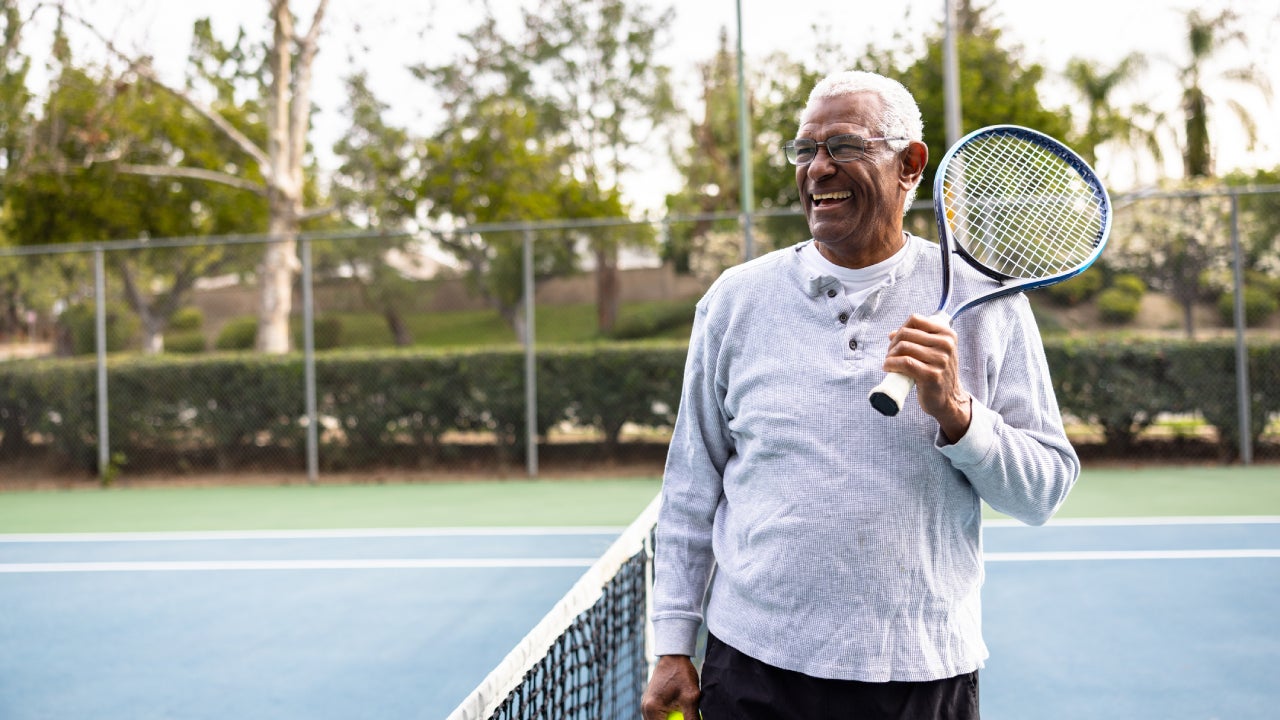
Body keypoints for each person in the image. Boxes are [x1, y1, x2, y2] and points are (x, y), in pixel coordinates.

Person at [640, 70, 1080, 720]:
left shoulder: (991, 309)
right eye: (804, 150)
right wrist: (673, 644)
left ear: (910, 164)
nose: (817, 169)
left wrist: (957, 416)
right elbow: (689, 488)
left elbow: (1045, 490)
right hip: (754, 668)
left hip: (921, 673)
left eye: (843, 146)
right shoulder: (735, 301)